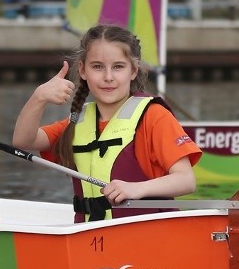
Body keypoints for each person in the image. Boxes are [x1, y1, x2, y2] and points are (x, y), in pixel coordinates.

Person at [12, 24, 202, 222]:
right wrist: (39, 97)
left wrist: (137, 188)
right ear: (83, 71)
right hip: (88, 237)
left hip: (146, 237)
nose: (108, 77)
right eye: (98, 67)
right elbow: (23, 141)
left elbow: (186, 181)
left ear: (133, 71)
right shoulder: (77, 121)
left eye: (118, 67)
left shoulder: (154, 116)